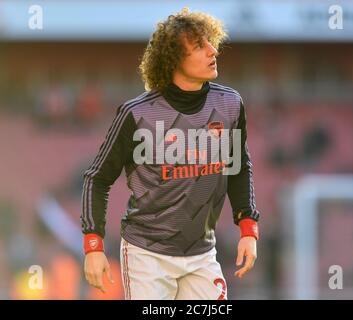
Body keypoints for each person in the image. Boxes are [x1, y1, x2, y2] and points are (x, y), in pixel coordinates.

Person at [81, 8, 261, 300]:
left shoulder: (230, 104)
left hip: (202, 253)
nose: (213, 50)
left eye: (211, 42)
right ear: (174, 58)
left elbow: (239, 168)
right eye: (199, 46)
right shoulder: (136, 114)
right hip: (147, 255)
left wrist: (248, 229)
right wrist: (93, 246)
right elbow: (97, 178)